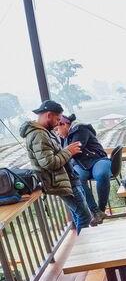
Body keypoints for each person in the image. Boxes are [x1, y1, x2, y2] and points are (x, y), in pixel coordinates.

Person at [21, 100, 92, 233]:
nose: (59, 123)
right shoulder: (39, 135)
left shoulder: (45, 132)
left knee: (79, 215)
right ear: (49, 115)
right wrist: (68, 151)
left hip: (67, 179)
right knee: (85, 216)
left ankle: (81, 244)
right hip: (61, 182)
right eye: (57, 118)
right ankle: (85, 248)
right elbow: (49, 163)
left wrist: (66, 151)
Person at [56, 113, 111, 225]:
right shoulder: (64, 138)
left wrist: (65, 152)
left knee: (101, 174)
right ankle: (95, 211)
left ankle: (101, 209)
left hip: (97, 160)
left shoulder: (80, 128)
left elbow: (76, 148)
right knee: (78, 179)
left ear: (65, 124)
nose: (57, 133)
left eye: (57, 129)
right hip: (81, 165)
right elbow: (66, 152)